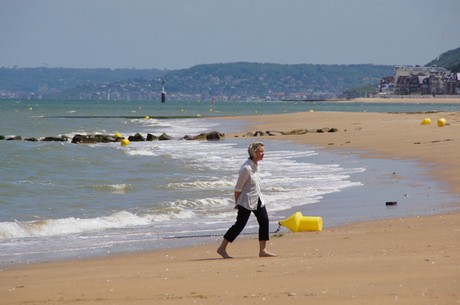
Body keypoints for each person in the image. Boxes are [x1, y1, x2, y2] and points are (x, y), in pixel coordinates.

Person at [217, 142, 277, 258]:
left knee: (264, 221)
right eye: (260, 151)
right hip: (246, 202)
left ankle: (262, 250)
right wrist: (237, 203)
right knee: (239, 225)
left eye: (263, 151)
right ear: (254, 153)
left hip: (258, 198)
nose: (263, 154)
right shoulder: (246, 168)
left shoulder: (257, 165)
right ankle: (221, 248)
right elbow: (238, 188)